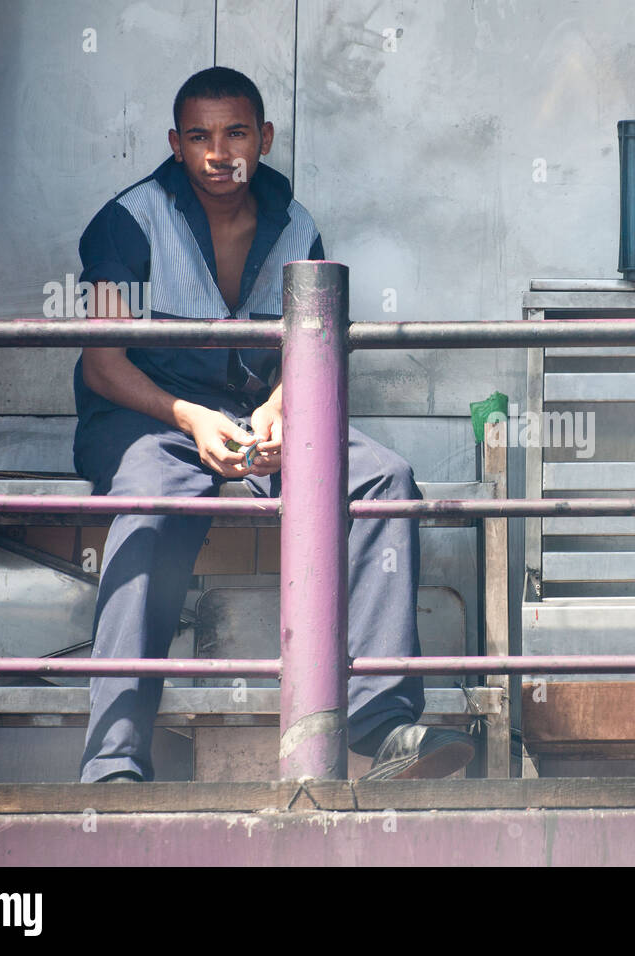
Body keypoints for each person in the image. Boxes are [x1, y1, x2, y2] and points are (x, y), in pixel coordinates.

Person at [71, 66, 474, 783]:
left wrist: (284, 407)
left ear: (265, 137)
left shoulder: (297, 225)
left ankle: (382, 725)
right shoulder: (128, 223)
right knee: (146, 508)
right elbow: (104, 365)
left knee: (386, 478)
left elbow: (309, 343)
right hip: (152, 419)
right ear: (175, 142)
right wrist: (192, 419)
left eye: (234, 133)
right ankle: (114, 763)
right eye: (198, 136)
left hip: (256, 419)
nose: (217, 152)